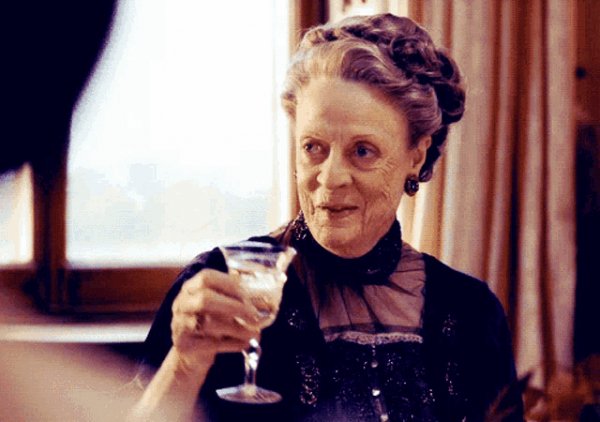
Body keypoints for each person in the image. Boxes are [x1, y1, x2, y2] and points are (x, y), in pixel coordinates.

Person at [131, 14, 523, 422]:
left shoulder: (472, 311)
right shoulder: (221, 287)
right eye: (313, 147)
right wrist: (185, 363)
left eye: (362, 151)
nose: (330, 177)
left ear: (416, 155)